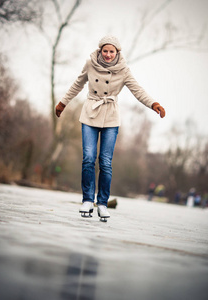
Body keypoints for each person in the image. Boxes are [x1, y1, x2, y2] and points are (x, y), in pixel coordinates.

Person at [55, 35, 166, 221]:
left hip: (111, 118)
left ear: (117, 52)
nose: (108, 54)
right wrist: (63, 103)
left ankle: (103, 204)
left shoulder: (123, 70)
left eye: (111, 51)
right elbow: (78, 83)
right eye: (105, 51)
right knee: (88, 158)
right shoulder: (90, 63)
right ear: (100, 51)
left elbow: (137, 90)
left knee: (105, 162)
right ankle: (88, 200)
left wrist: (154, 104)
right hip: (90, 114)